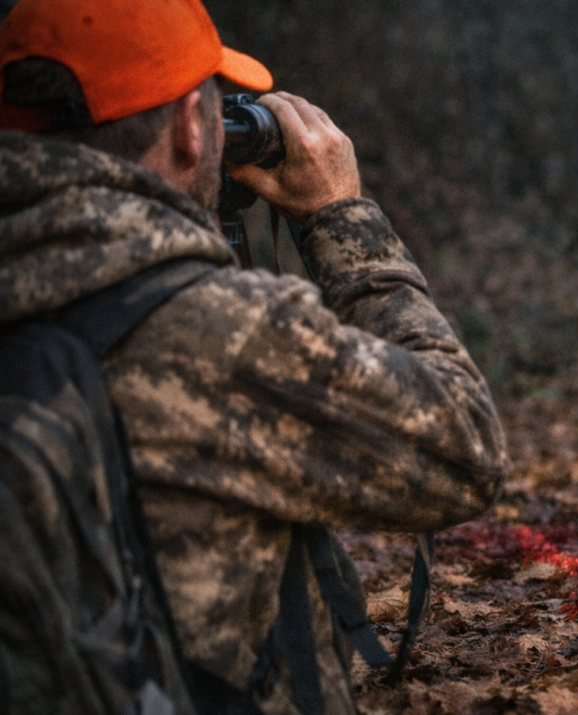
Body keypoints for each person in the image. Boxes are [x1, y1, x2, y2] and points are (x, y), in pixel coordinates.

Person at [0, 0, 509, 713]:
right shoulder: (222, 331)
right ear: (188, 127)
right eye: (217, 107)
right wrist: (343, 219)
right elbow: (465, 445)